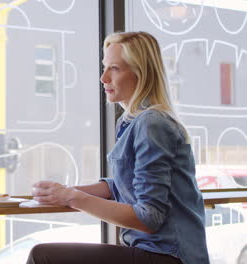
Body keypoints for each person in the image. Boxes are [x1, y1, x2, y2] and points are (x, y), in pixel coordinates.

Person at [27, 31, 209, 264]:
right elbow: (124, 186)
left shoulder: (151, 123)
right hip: (156, 252)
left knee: (42, 257)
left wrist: (73, 197)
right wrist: (62, 192)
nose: (103, 78)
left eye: (114, 68)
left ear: (140, 73)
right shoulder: (130, 122)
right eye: (105, 67)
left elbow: (148, 217)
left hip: (170, 256)